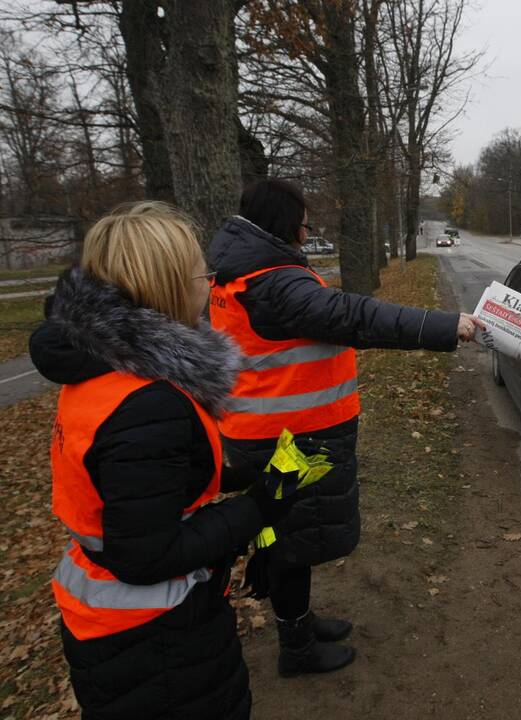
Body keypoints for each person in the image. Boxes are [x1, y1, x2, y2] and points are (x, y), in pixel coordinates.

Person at [208, 179, 483, 678]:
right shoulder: (271, 282)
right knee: (289, 543)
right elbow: (354, 315)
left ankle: (301, 622)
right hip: (285, 442)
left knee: (288, 537)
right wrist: (444, 326)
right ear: (287, 225)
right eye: (304, 223)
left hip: (273, 434)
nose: (306, 231)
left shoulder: (244, 274)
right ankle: (296, 649)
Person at [29, 202, 293, 720]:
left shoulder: (100, 366)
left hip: (111, 627)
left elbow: (133, 477)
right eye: (201, 272)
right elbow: (146, 556)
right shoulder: (148, 401)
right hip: (154, 641)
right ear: (168, 284)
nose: (208, 282)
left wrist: (234, 473)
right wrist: (258, 507)